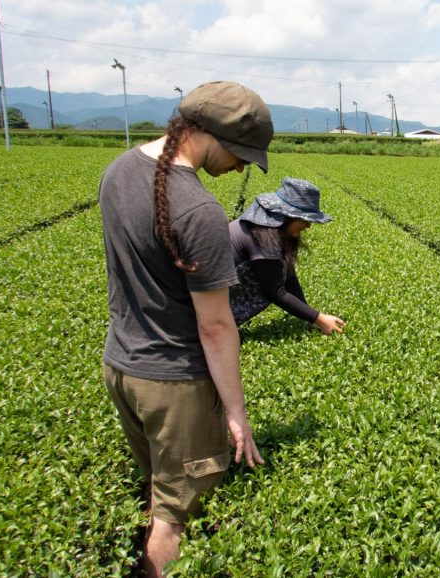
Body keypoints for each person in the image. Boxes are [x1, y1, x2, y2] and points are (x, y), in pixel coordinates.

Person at [99, 80, 271, 577]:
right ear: (209, 135)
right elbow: (216, 327)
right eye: (241, 154)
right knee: (174, 516)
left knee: (156, 486)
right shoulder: (199, 210)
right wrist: (236, 414)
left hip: (123, 369)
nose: (242, 166)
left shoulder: (118, 171)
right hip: (174, 385)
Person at [229, 176, 346, 335]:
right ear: (289, 215)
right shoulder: (264, 235)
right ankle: (225, 324)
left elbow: (289, 279)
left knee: (279, 271)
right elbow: (275, 291)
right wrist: (319, 319)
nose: (308, 226)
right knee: (268, 277)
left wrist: (309, 317)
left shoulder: (274, 229)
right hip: (205, 304)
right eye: (305, 219)